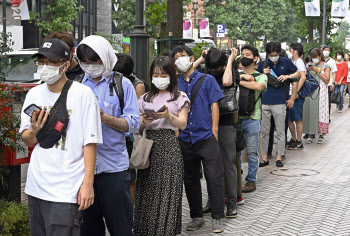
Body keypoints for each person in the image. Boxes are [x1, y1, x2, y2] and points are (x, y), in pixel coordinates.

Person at [19, 38, 103, 235]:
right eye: (41, 62)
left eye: (51, 62)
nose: (45, 67)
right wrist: (35, 131)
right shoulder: (33, 94)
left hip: (67, 189)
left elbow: (90, 142)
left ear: (65, 65)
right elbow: (27, 139)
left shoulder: (83, 94)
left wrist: (88, 184)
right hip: (36, 186)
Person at [77, 35, 140, 236]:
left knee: (120, 227)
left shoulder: (123, 85)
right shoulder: (76, 85)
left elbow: (133, 124)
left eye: (94, 62)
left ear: (105, 58)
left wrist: (104, 118)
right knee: (88, 229)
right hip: (83, 170)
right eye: (85, 62)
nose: (90, 66)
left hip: (113, 168)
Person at [172, 45, 225, 233]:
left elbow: (214, 105)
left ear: (192, 57)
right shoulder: (175, 84)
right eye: (176, 57)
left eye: (183, 56)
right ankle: (196, 217)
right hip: (185, 138)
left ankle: (218, 217)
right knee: (190, 178)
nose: (180, 59)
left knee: (214, 177)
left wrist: (215, 130)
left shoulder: (207, 79)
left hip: (205, 136)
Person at [134, 56, 190, 236]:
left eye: (163, 74)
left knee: (168, 190)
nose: (159, 78)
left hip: (169, 145)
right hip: (148, 146)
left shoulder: (180, 97)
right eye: (155, 74)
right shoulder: (144, 98)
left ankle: (165, 231)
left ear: (171, 75)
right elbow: (135, 124)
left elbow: (182, 124)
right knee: (147, 190)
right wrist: (144, 120)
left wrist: (167, 116)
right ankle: (146, 230)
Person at [197, 48, 239, 218]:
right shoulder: (206, 70)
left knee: (228, 164)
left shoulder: (229, 71)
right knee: (210, 166)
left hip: (225, 123)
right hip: (206, 124)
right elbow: (186, 72)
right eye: (211, 68)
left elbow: (227, 82)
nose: (214, 71)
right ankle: (213, 200)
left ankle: (232, 202)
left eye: (217, 68)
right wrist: (201, 58)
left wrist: (230, 60)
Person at [257, 42, 299, 168]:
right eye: (271, 55)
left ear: (279, 53)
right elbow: (255, 80)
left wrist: (288, 77)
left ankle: (279, 156)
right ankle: (264, 156)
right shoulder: (262, 64)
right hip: (264, 102)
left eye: (275, 55)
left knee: (280, 131)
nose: (273, 57)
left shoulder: (286, 62)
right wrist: (262, 74)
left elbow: (298, 74)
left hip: (280, 102)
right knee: (264, 131)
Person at [114, 53, 146, 204]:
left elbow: (137, 114)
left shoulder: (136, 85)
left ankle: (130, 210)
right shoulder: (110, 81)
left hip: (129, 136)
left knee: (129, 177)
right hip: (113, 133)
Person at [239, 45, 267, 193]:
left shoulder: (261, 76)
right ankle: (237, 177)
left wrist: (238, 80)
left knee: (252, 152)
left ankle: (251, 180)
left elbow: (258, 87)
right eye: (242, 54)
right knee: (235, 152)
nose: (244, 57)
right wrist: (239, 77)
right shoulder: (237, 73)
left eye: (248, 54)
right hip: (237, 118)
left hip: (252, 118)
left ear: (255, 58)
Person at [303, 48, 330, 144]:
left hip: (321, 91)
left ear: (320, 56)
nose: (314, 59)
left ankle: (322, 134)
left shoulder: (325, 65)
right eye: (312, 57)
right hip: (311, 91)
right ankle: (310, 134)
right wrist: (308, 69)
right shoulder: (310, 65)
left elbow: (327, 80)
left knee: (320, 112)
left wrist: (318, 71)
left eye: (316, 57)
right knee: (310, 111)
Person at [287, 42, 307, 150]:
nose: (289, 52)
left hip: (296, 96)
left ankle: (298, 141)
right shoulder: (293, 62)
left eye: (290, 50)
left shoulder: (299, 62)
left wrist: (296, 92)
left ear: (295, 51)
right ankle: (294, 139)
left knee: (297, 119)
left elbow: (303, 77)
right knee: (290, 119)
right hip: (291, 94)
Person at [321, 45, 337, 121]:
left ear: (330, 52)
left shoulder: (332, 61)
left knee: (327, 100)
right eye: (325, 50)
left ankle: (327, 116)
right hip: (321, 83)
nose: (326, 51)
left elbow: (334, 73)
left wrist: (333, 83)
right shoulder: (320, 60)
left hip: (329, 82)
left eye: (328, 50)